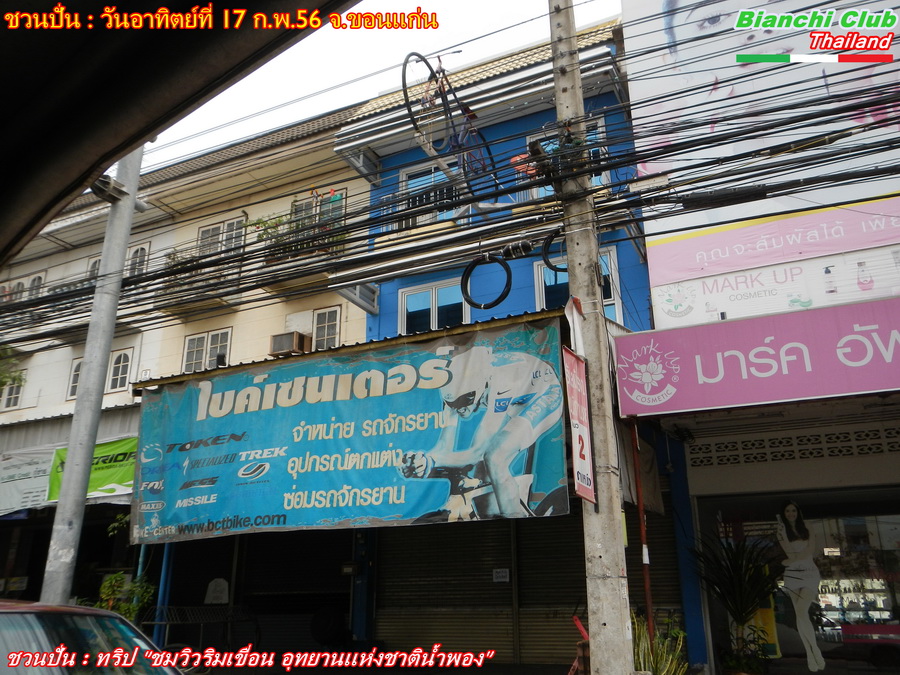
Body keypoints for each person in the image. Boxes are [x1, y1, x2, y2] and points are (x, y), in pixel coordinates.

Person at [401, 345, 563, 519]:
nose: (460, 408)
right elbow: (443, 448)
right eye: (454, 404)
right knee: (481, 476)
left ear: (482, 386)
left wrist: (433, 460)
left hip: (544, 392)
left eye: (466, 400)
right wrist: (421, 461)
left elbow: (477, 452)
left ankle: (516, 519)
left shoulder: (500, 383)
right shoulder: (452, 391)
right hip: (517, 395)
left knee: (494, 457)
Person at [776, 500, 826, 672]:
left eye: (793, 510)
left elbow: (810, 549)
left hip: (809, 572)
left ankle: (814, 651)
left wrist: (791, 560)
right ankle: (811, 654)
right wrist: (783, 534)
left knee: (802, 611)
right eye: (787, 511)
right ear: (784, 514)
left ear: (798, 512)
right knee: (800, 614)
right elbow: (788, 551)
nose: (791, 513)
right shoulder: (781, 530)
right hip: (792, 574)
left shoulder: (807, 526)